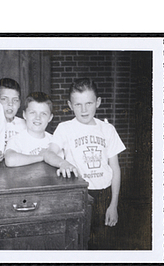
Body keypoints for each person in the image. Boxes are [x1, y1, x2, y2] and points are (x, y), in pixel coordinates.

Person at [43, 78, 126, 249]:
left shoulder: (107, 129)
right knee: (80, 243)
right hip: (80, 194)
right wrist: (63, 163)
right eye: (78, 104)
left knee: (104, 244)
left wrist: (114, 204)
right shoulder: (65, 128)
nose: (84, 109)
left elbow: (115, 169)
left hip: (106, 195)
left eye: (89, 103)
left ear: (98, 102)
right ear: (70, 105)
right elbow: (48, 154)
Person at [5, 92, 54, 167]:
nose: (38, 118)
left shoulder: (54, 141)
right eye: (32, 113)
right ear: (24, 115)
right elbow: (10, 160)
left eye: (43, 114)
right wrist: (43, 157)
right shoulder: (17, 140)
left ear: (50, 118)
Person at [0, 78, 26, 143]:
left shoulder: (25, 125)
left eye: (15, 100)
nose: (10, 104)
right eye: (4, 99)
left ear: (19, 103)